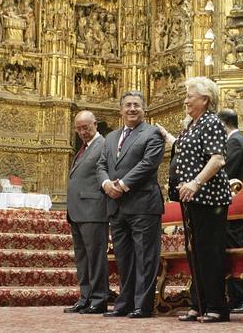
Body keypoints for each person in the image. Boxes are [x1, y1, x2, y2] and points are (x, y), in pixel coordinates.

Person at [97, 90, 164, 319]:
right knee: (124, 258)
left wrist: (122, 185)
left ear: (143, 109)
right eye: (128, 105)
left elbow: (148, 164)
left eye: (136, 105)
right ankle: (124, 303)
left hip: (143, 204)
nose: (132, 109)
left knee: (145, 256)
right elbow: (102, 164)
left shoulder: (152, 133)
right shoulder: (111, 137)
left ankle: (142, 305)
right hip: (116, 206)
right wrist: (106, 184)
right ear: (121, 110)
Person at [173, 77, 232, 323]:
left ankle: (217, 306)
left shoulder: (211, 122)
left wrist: (196, 183)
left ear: (205, 99)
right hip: (192, 198)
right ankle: (199, 303)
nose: (186, 100)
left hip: (210, 198)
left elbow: (217, 159)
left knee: (209, 252)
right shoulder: (192, 124)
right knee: (195, 251)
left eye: (190, 96)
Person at [63, 111, 110, 315]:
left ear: (95, 124)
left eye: (86, 127)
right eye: (79, 128)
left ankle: (99, 299)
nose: (82, 132)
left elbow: (106, 173)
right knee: (82, 258)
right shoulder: (83, 148)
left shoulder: (103, 145)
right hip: (78, 212)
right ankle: (85, 298)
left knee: (95, 257)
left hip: (94, 211)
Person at [217, 108, 243, 314]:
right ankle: (238, 296)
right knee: (231, 250)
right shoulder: (237, 140)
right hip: (233, 208)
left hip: (234, 208)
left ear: (223, 124)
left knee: (234, 251)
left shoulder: (234, 142)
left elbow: (224, 173)